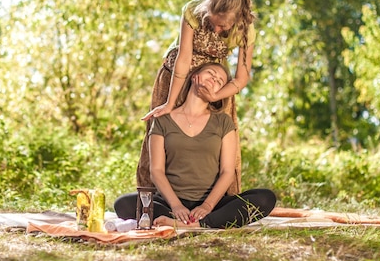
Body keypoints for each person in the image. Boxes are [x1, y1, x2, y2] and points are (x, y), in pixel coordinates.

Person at [114, 63, 276, 229]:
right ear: (194, 76)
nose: (214, 79)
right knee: (124, 204)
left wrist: (207, 206)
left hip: (212, 204)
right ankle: (189, 221)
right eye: (210, 73)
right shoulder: (163, 120)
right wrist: (176, 206)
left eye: (220, 81)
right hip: (171, 203)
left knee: (265, 198)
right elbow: (156, 171)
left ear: (219, 93)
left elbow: (227, 172)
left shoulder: (223, 122)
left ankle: (196, 224)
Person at [137, 0, 256, 196]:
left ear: (236, 19)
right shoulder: (193, 10)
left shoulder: (245, 29)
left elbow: (241, 78)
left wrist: (215, 95)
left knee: (220, 139)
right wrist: (169, 103)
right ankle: (150, 202)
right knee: (160, 130)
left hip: (214, 84)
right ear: (207, 9)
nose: (217, 30)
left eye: (223, 27)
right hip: (175, 78)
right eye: (213, 23)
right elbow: (184, 59)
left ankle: (219, 200)